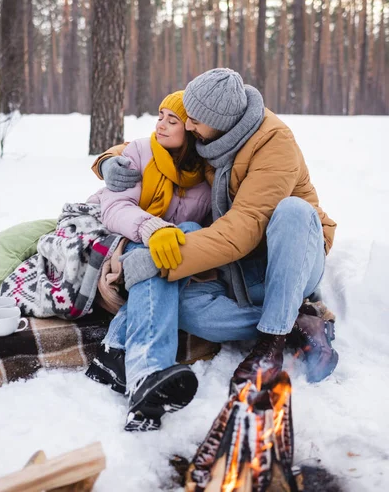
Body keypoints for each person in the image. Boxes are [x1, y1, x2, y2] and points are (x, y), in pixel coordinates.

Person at [92, 68, 338, 400]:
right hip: (243, 265)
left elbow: (243, 229)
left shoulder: (275, 142)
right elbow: (157, 142)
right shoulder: (210, 135)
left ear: (217, 120)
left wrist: (159, 261)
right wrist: (109, 161)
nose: (188, 124)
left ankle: (271, 342)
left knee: (292, 210)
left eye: (193, 119)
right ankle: (298, 322)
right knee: (188, 311)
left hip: (294, 258)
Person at [86, 91, 212, 431]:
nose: (161, 125)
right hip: (120, 243)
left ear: (193, 130)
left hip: (162, 256)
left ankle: (114, 350)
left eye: (173, 120)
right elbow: (113, 209)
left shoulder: (207, 175)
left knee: (185, 232)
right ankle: (146, 373)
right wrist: (154, 229)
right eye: (159, 116)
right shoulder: (138, 152)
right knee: (168, 243)